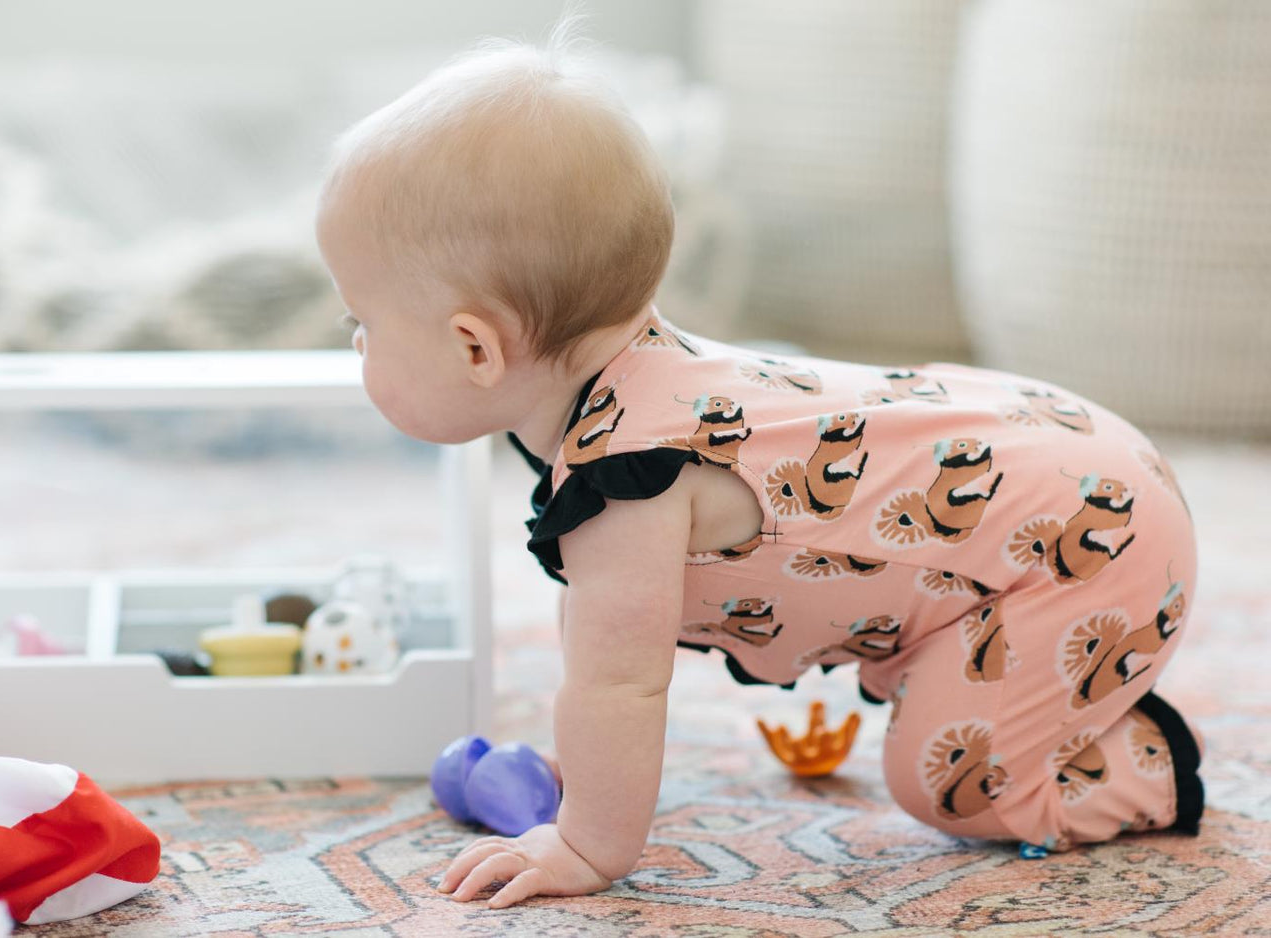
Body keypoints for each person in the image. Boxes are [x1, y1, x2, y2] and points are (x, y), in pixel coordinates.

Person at [313, 22, 1204, 910]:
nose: (357, 340)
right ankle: (1041, 693)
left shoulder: (633, 480)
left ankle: (1140, 760)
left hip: (1088, 544)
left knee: (954, 785)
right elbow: (597, 649)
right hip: (1054, 452)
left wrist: (588, 840)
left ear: (476, 348)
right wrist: (582, 765)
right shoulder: (632, 382)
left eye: (365, 321)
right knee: (943, 702)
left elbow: (617, 682)